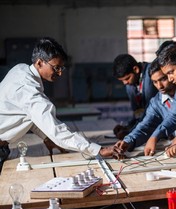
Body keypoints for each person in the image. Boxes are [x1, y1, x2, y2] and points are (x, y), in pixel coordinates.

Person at [0, 37, 111, 172]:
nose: (59, 73)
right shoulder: (28, 91)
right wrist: (98, 150)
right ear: (40, 63)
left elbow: (30, 116)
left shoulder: (20, 69)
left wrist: (47, 138)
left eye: (61, 68)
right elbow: (56, 129)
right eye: (56, 68)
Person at [110, 58, 176, 158]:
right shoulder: (156, 102)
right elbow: (145, 124)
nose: (159, 86)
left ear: (170, 75)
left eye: (163, 79)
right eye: (154, 82)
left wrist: (156, 136)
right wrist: (128, 140)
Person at [112, 53, 158, 139]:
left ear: (136, 69)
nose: (125, 83)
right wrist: (127, 126)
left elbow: (150, 114)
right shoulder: (131, 84)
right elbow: (138, 114)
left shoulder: (150, 74)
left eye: (127, 78)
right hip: (145, 125)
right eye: (122, 81)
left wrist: (131, 132)